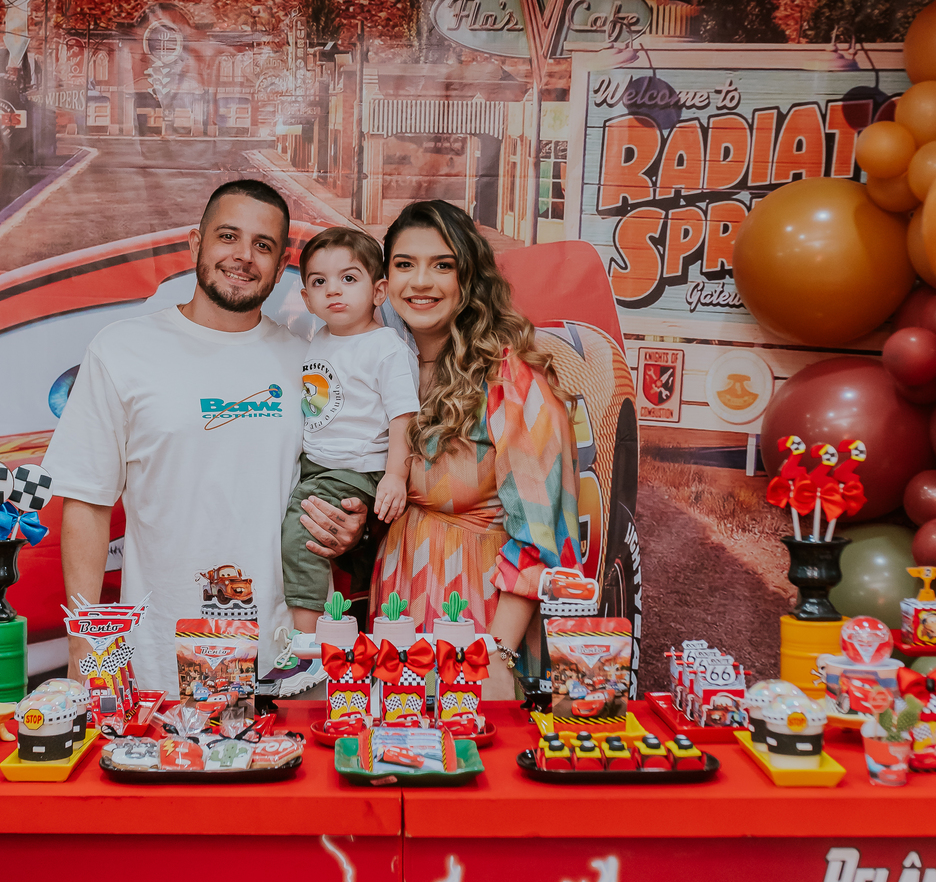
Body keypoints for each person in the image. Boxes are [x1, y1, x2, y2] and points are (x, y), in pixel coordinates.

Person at [46, 180, 368, 690]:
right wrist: (86, 654)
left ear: (281, 263)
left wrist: (349, 525)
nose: (243, 257)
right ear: (196, 244)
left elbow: (341, 474)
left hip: (287, 662)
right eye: (228, 237)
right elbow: (87, 500)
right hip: (159, 660)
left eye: (262, 245)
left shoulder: (311, 362)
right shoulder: (122, 350)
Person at [371, 199, 583, 700]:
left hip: (478, 617)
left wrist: (496, 656)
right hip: (397, 604)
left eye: (442, 265)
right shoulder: (380, 368)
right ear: (384, 280)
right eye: (405, 265)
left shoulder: (511, 380)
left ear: (470, 279)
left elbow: (542, 533)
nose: (420, 282)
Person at [281, 227, 419, 633]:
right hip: (321, 462)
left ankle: (304, 636)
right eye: (319, 282)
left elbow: (403, 418)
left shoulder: (386, 347)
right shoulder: (321, 338)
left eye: (349, 278)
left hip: (357, 467)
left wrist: (395, 475)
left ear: (379, 292)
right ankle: (357, 590)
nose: (333, 290)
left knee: (300, 530)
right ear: (305, 298)